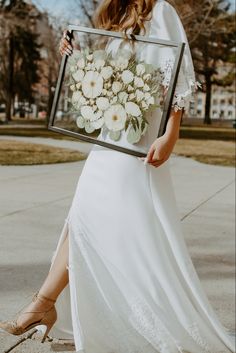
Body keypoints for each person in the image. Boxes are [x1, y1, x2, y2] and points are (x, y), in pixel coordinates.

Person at [0, 0, 235, 352]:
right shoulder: (116, 22)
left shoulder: (163, 12)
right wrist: (75, 53)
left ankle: (44, 304)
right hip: (110, 139)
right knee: (81, 219)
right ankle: (46, 305)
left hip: (140, 143)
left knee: (110, 225)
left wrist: (172, 133)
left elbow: (178, 75)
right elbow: (104, 80)